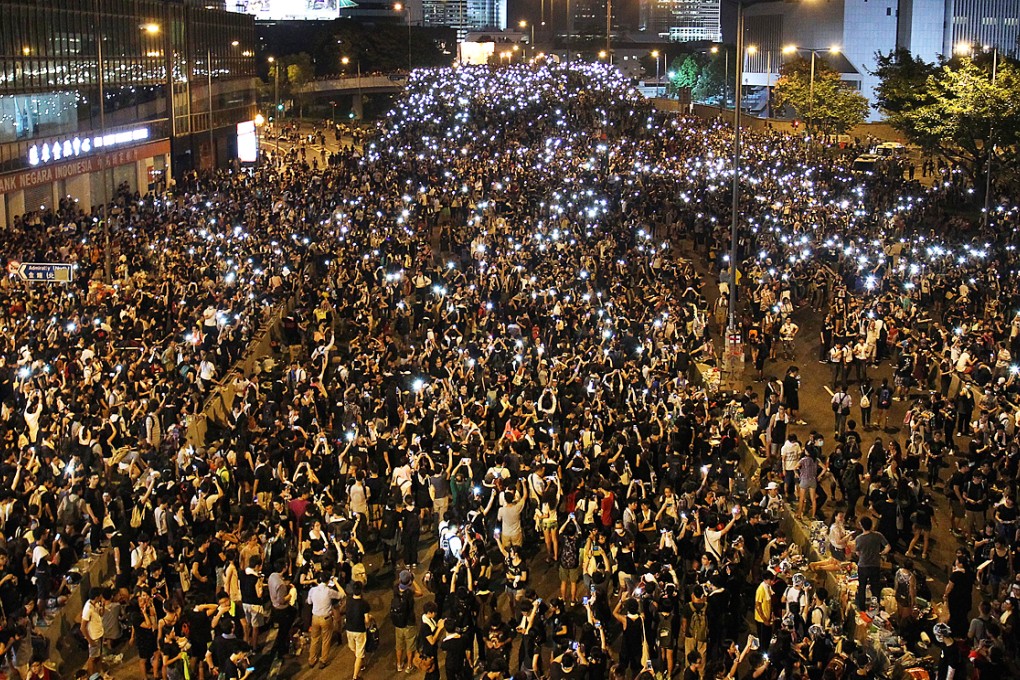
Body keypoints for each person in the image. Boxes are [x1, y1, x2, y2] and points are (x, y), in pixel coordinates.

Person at [852, 517, 890, 612]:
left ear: (861, 526)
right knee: (875, 587)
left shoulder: (859, 538)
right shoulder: (878, 535)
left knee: (862, 587)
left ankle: (862, 609)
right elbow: (888, 547)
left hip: (863, 566)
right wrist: (881, 553)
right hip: (875, 565)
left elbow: (857, 552)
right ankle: (874, 609)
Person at [306, 574, 344, 669]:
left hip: (315, 617)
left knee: (314, 639)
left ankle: (311, 660)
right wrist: (335, 581)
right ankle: (323, 660)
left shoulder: (312, 590)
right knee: (326, 640)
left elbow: (309, 602)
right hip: (326, 618)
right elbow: (342, 594)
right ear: (327, 581)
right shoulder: (328, 591)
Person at [391, 569, 422, 673]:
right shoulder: (409, 592)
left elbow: (399, 584)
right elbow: (420, 592)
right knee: (410, 645)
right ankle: (409, 665)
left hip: (398, 623)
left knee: (399, 645)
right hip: (409, 622)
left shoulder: (395, 589)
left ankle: (399, 664)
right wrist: (413, 581)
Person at [344, 581, 372, 680]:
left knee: (355, 649)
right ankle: (355, 676)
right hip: (359, 630)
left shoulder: (348, 600)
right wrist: (370, 619)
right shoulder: (364, 604)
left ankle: (362, 664)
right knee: (359, 654)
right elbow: (367, 620)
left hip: (349, 629)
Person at [80, 587, 106, 675]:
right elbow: (82, 627)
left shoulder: (96, 604)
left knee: (99, 656)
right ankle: (91, 676)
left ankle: (100, 672)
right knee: (92, 658)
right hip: (94, 637)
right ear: (96, 597)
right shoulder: (88, 609)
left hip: (100, 633)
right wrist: (90, 641)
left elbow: (101, 614)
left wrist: (103, 606)